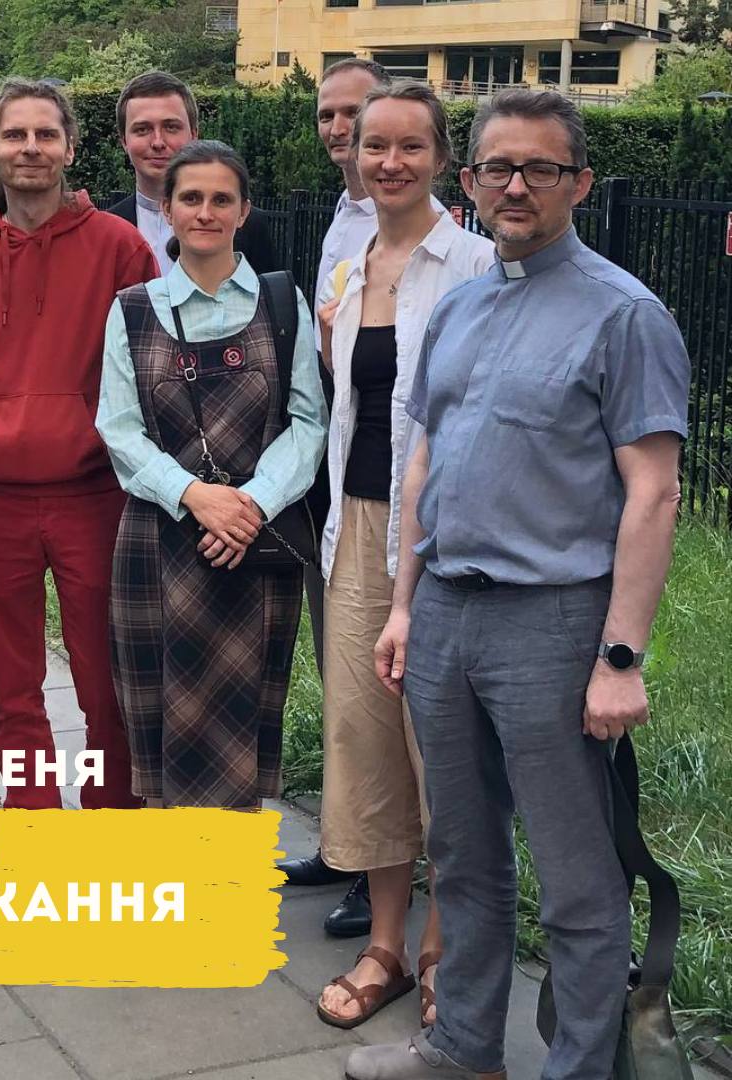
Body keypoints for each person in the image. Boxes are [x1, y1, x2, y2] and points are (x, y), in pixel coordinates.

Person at [346, 89, 689, 1080]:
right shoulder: (459, 306)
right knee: (461, 854)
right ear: (471, 180)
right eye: (498, 167)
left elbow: (655, 492)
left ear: (579, 182)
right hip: (446, 613)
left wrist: (620, 657)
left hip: (555, 624)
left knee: (577, 877)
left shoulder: (625, 315)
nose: (517, 185)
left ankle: (580, 1068)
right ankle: (462, 1046)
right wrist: (404, 606)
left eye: (542, 168)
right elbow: (423, 462)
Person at [311, 82, 494, 1033]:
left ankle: (443, 947)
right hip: (356, 527)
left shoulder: (476, 264)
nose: (387, 161)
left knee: (443, 745)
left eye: (409, 146)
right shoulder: (350, 270)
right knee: (365, 737)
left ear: (441, 159)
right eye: (372, 145)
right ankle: (385, 940)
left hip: (443, 536)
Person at [0, 78, 157, 810]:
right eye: (15, 135)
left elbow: (150, 373)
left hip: (93, 492)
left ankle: (111, 822)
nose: (30, 148)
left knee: (106, 677)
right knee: (12, 684)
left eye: (45, 135)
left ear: (70, 147)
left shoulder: (120, 247)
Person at [97, 140, 327, 807]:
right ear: (167, 209)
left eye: (221, 199)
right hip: (161, 545)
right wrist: (195, 496)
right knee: (163, 723)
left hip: (254, 547)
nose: (206, 212)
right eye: (191, 198)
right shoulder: (132, 308)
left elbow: (308, 421)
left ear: (243, 210)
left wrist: (249, 505)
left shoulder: (281, 303)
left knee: (241, 727)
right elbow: (119, 427)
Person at [276, 56, 392, 933]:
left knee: (383, 682)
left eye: (357, 112)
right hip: (332, 472)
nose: (340, 128)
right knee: (340, 669)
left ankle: (385, 862)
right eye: (328, 113)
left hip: (392, 482)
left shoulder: (430, 231)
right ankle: (347, 842)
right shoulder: (342, 222)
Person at [108, 70, 282, 274]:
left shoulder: (249, 226)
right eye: (142, 129)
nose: (157, 142)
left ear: (194, 134)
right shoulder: (106, 230)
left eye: (171, 127)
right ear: (124, 141)